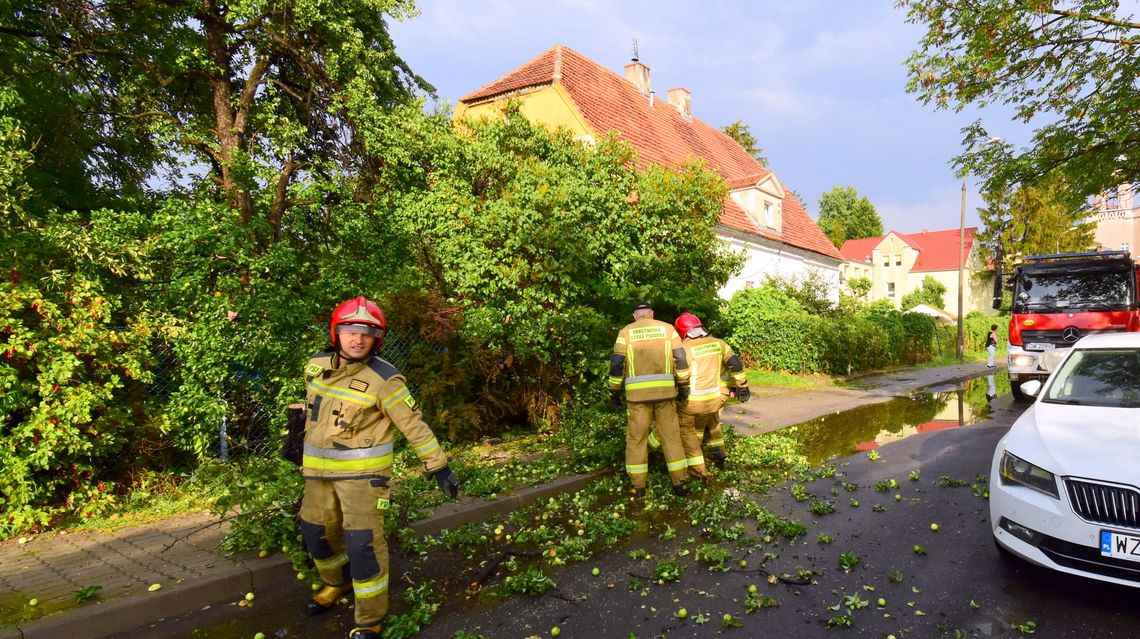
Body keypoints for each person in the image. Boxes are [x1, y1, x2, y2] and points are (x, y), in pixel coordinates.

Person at [299, 296, 459, 639]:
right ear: (336, 333)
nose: (357, 339)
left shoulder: (385, 379)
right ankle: (335, 584)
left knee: (363, 546)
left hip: (363, 480)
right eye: (350, 331)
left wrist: (438, 466)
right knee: (316, 535)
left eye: (367, 333)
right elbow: (311, 407)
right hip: (317, 476)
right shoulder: (315, 365)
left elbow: (413, 425)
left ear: (377, 339)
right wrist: (293, 430)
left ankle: (369, 618)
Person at [608, 301, 692, 497]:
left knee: (637, 439)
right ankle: (680, 484)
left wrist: (614, 391)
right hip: (665, 395)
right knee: (671, 437)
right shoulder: (668, 329)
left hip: (637, 399)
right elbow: (680, 359)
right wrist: (684, 385)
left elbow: (617, 364)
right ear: (652, 314)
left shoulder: (625, 332)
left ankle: (638, 487)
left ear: (635, 316)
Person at [652, 312, 749, 474]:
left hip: (693, 402)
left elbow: (677, 375)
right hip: (717, 398)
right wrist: (743, 386)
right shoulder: (719, 344)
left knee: (684, 428)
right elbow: (735, 363)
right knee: (712, 421)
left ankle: (696, 470)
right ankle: (717, 455)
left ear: (682, 332)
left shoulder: (683, 349)